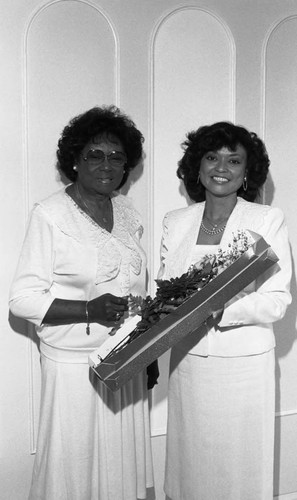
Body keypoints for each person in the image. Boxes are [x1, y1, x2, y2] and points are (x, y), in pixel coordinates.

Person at [9, 105, 155, 500]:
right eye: (94, 154)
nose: (106, 164)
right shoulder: (51, 214)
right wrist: (89, 310)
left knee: (120, 467)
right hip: (75, 367)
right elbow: (21, 299)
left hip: (124, 361)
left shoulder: (126, 211)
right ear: (74, 160)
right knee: (73, 467)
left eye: (116, 156)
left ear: (127, 165)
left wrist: (148, 346)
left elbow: (136, 284)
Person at [158, 122, 292, 500]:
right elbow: (165, 288)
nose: (222, 167)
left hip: (244, 367)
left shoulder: (266, 219)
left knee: (239, 469)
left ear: (247, 172)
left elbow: (277, 299)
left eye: (234, 160)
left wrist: (220, 309)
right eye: (212, 157)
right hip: (189, 363)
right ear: (196, 168)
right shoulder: (175, 221)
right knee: (191, 464)